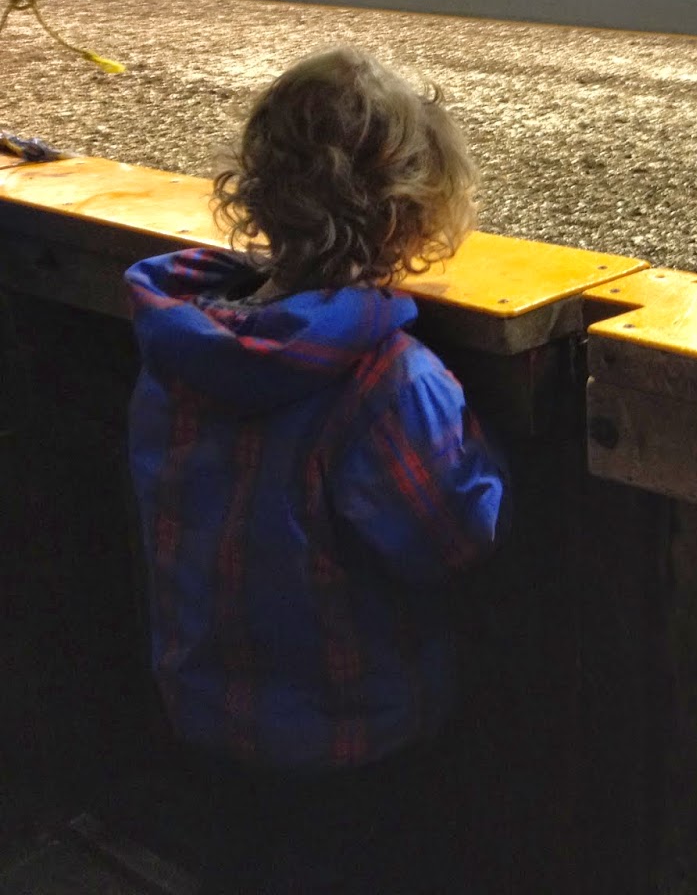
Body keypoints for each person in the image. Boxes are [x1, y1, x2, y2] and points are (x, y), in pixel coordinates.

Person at [124, 46, 506, 894]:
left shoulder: (179, 345)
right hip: (351, 738)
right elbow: (455, 538)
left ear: (259, 187)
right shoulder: (389, 380)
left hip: (206, 714)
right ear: (410, 216)